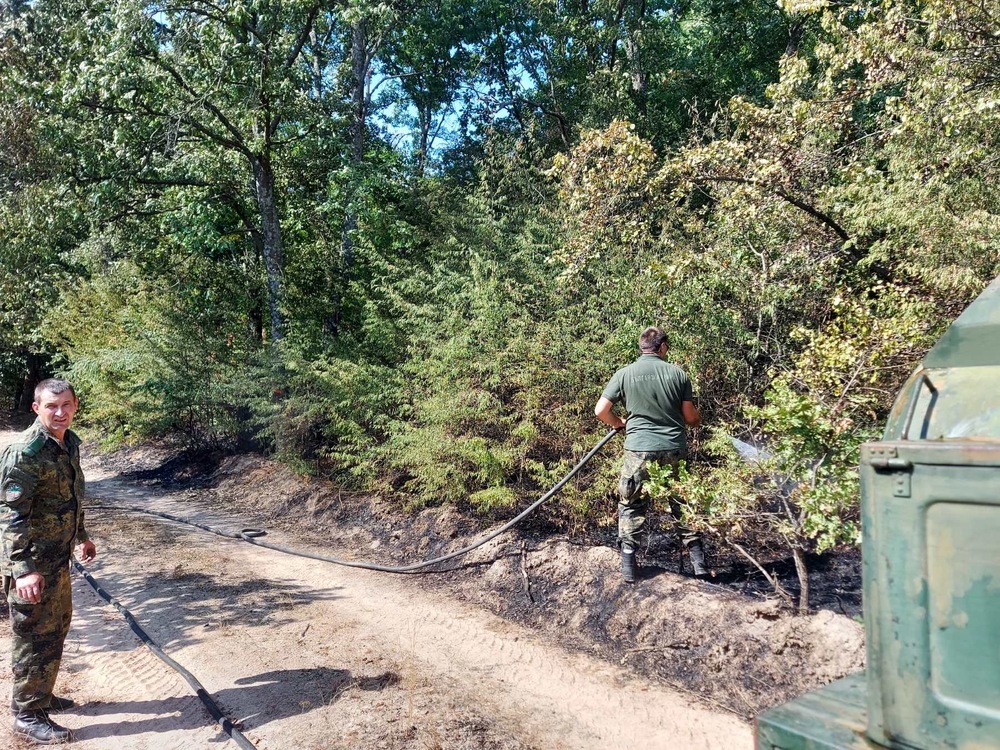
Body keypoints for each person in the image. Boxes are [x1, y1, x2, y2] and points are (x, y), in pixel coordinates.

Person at [1, 378, 96, 744]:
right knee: (33, 636)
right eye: (51, 406)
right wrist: (23, 569)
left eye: (66, 405)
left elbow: (71, 497)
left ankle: (42, 694)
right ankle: (26, 713)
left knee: (56, 629)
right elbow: (10, 516)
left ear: (75, 406)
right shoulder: (24, 452)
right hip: (32, 565)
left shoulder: (68, 444)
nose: (60, 412)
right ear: (36, 408)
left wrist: (81, 536)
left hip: (57, 559)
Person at [594, 327, 705, 583]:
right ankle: (699, 564)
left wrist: (618, 423)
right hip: (674, 447)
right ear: (662, 346)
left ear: (641, 347)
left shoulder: (624, 374)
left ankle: (629, 568)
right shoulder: (678, 374)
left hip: (639, 449)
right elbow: (690, 417)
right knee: (683, 502)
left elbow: (600, 410)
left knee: (631, 503)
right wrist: (697, 421)